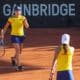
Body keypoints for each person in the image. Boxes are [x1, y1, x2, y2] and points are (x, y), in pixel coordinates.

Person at [2, 6, 29, 71]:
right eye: (16, 11)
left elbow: (27, 26)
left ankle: (14, 58)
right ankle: (19, 66)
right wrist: (2, 34)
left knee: (19, 51)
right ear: (14, 11)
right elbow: (5, 27)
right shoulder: (11, 18)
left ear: (21, 11)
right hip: (14, 36)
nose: (18, 12)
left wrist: (25, 22)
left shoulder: (23, 18)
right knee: (17, 50)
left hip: (21, 36)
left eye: (19, 11)